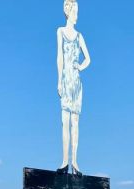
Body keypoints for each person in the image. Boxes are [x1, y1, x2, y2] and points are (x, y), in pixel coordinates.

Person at [56, 0, 90, 176]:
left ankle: (75, 161)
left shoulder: (79, 36)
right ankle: (64, 161)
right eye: (75, 11)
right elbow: (59, 57)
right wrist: (59, 81)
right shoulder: (60, 32)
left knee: (75, 122)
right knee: (65, 122)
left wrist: (80, 67)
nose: (77, 15)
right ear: (68, 12)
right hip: (66, 80)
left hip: (76, 82)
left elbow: (88, 59)